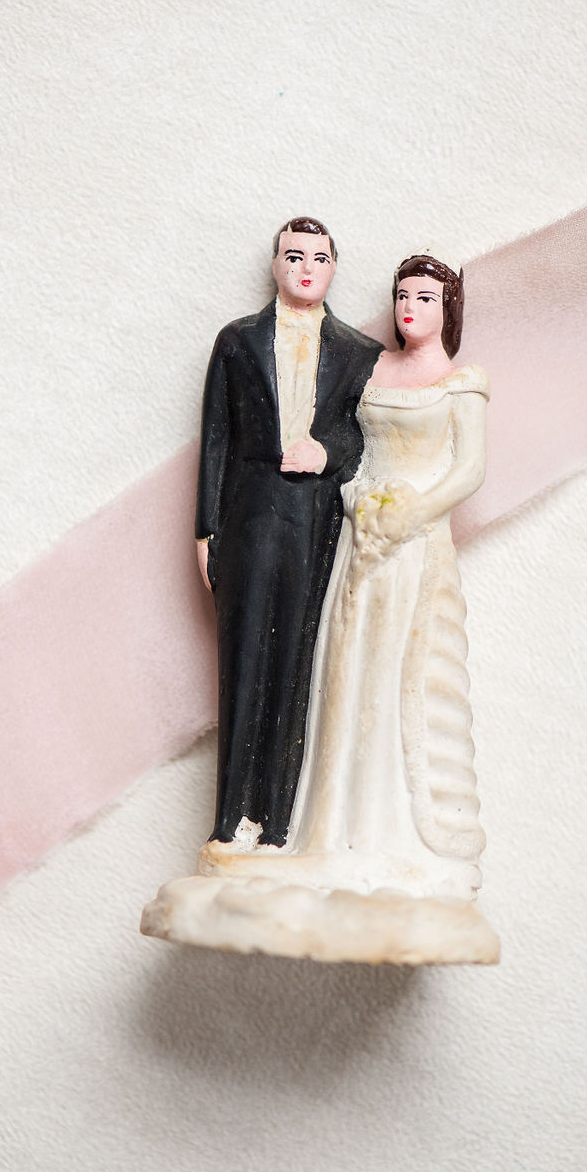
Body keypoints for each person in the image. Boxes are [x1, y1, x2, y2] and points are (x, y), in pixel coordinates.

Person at [283, 253, 490, 900]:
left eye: (425, 298)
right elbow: (358, 451)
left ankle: (393, 833)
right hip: (363, 539)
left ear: (447, 309)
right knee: (347, 669)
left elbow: (468, 470)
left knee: (400, 673)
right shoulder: (374, 371)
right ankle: (331, 829)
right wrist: (360, 502)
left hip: (415, 547)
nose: (410, 308)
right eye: (404, 295)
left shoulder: (462, 384)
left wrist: (410, 514)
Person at [194, 218, 382, 850]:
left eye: (319, 258)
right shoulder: (237, 341)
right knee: (242, 657)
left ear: (334, 268)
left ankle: (277, 822)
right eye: (294, 256)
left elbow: (366, 439)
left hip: (315, 521)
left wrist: (327, 452)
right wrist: (205, 528)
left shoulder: (359, 353)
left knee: (298, 661)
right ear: (275, 264)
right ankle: (228, 819)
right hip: (248, 516)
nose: (306, 268)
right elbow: (215, 436)